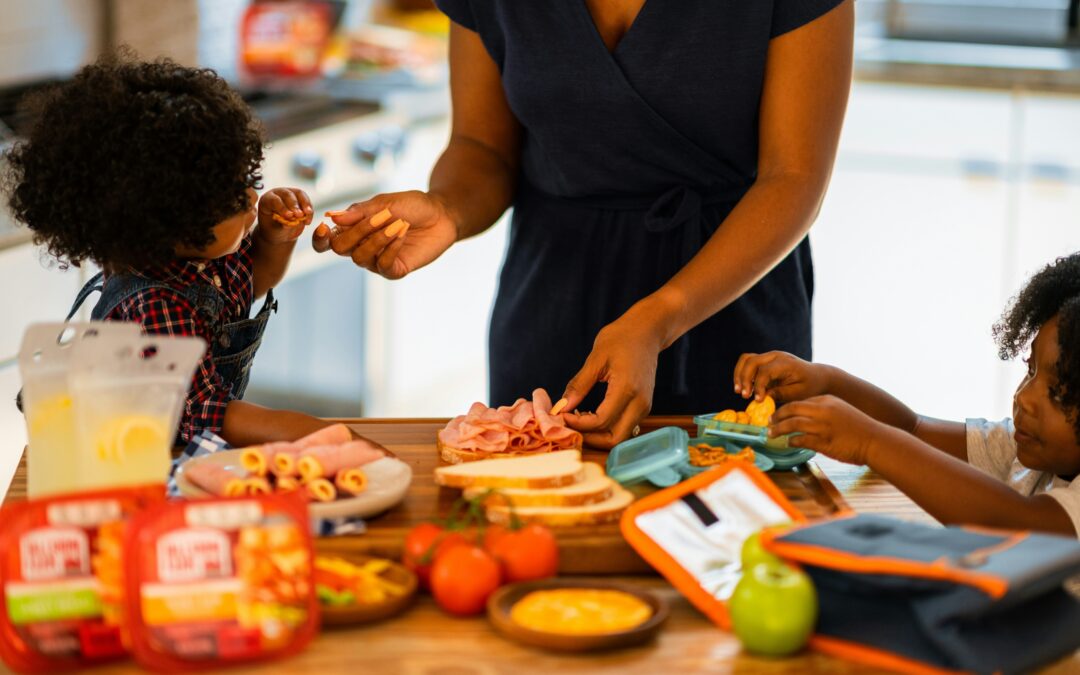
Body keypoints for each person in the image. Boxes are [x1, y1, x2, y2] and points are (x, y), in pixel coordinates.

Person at [311, 0, 855, 448]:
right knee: (541, 529)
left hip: (729, 301)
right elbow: (481, 146)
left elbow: (793, 178)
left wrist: (659, 318)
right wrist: (448, 207)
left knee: (738, 540)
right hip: (554, 302)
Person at [2, 54, 344, 447]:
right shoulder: (154, 303)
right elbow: (206, 414)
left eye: (247, 180)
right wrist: (321, 435)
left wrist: (272, 239)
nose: (253, 197)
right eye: (232, 199)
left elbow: (252, 283)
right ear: (167, 224)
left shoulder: (201, 254)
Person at [734, 253, 1080, 536]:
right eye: (1030, 369)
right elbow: (914, 429)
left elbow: (1019, 528)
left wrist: (870, 442)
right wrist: (826, 381)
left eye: (1058, 392)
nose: (1024, 398)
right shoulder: (1024, 449)